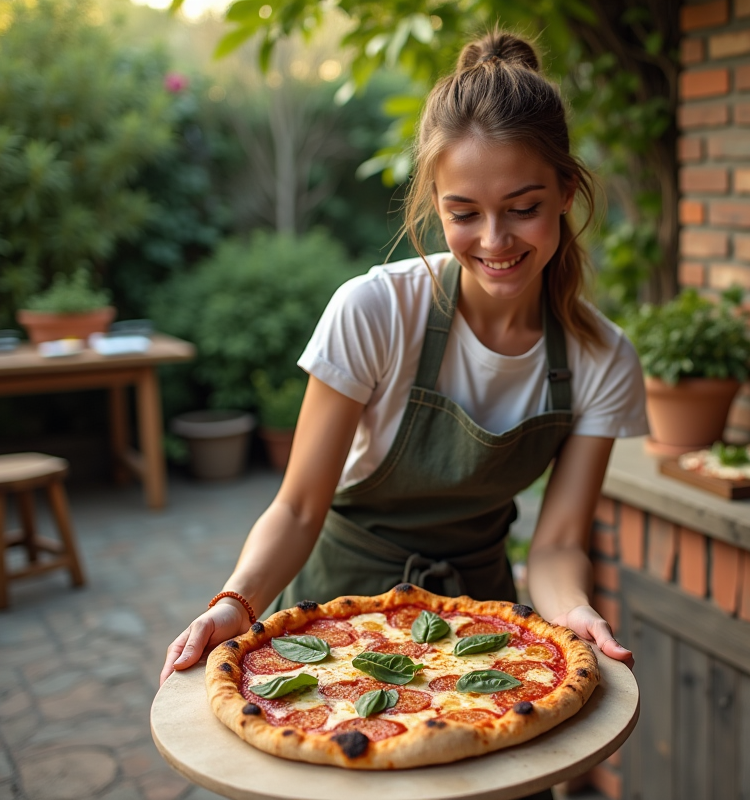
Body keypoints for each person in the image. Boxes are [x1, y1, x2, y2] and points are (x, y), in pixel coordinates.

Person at [160, 32, 647, 791]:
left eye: (523, 209)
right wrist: (237, 602)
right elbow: (296, 508)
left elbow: (554, 546)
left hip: (489, 630)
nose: (494, 241)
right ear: (433, 204)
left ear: (566, 194)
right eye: (464, 213)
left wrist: (574, 617)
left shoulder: (601, 358)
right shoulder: (376, 310)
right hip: (331, 622)